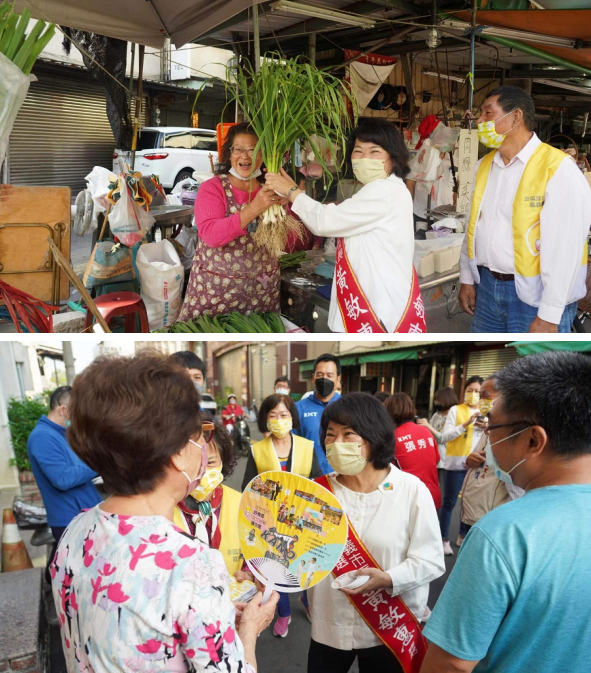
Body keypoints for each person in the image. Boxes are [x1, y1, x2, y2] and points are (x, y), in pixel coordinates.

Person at [51, 353, 278, 673]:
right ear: (175, 455)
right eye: (200, 435)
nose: (204, 446)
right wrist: (249, 631)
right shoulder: (192, 563)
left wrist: (216, 615)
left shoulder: (76, 530)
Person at [420, 351, 591, 673]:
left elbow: (452, 664)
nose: (489, 439)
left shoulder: (502, 533)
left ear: (532, 440)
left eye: (495, 427)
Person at [308, 393, 445, 673]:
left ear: (373, 438)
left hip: (389, 628)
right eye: (330, 435)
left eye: (348, 435)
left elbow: (430, 560)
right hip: (329, 625)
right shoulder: (315, 492)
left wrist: (389, 578)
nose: (336, 444)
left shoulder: (411, 489)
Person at [265, 118, 426, 333]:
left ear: (393, 157)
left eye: (375, 151)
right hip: (377, 294)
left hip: (377, 306)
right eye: (358, 151)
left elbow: (325, 221)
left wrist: (292, 191)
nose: (364, 158)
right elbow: (347, 213)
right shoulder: (389, 188)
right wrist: (297, 197)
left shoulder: (383, 191)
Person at [458, 85, 591, 333]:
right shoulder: (484, 165)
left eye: (488, 113)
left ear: (515, 117)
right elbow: (472, 225)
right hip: (487, 288)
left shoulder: (558, 168)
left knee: (535, 371)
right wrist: (467, 277)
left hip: (536, 299)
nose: (480, 120)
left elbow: (566, 247)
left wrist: (550, 314)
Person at [179, 122, 288, 321]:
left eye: (252, 150)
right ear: (229, 154)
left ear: (263, 155)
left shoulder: (271, 189)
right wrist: (255, 207)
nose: (245, 156)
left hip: (261, 293)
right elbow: (211, 236)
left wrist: (290, 199)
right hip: (215, 294)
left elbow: (286, 240)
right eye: (238, 149)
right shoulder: (212, 188)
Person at [242, 393, 321, 638]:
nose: (278, 419)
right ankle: (284, 612)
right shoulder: (258, 450)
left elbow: (318, 483)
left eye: (284, 414)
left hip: (303, 522)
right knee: (278, 570)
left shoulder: (307, 446)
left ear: (292, 417)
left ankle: (306, 601)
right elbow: (248, 487)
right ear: (265, 419)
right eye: (273, 415)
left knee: (306, 566)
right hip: (271, 525)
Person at [27, 386, 102, 583]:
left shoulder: (63, 433)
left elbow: (79, 468)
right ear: (63, 410)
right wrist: (101, 463)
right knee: (77, 580)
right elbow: (62, 478)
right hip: (70, 519)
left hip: (82, 513)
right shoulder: (42, 437)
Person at [173, 415, 248, 580]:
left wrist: (249, 572)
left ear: (223, 461)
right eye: (195, 463)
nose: (202, 471)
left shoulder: (241, 503)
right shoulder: (165, 506)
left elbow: (255, 550)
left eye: (211, 463)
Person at [459, 374, 524, 532]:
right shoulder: (491, 427)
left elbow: (517, 491)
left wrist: (502, 525)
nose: (481, 401)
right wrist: (468, 461)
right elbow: (473, 459)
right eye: (480, 396)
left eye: (485, 396)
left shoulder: (510, 435)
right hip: (474, 516)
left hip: (490, 523)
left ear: (505, 397)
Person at [437, 376, 483, 555]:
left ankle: (463, 535)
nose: (474, 395)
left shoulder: (486, 412)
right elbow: (445, 436)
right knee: (449, 502)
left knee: (470, 502)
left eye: (478, 392)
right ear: (464, 392)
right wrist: (466, 424)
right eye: (470, 391)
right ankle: (443, 539)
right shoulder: (456, 410)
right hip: (455, 464)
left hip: (477, 466)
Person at [384, 393, 441, 508]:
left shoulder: (393, 437)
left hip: (409, 501)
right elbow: (437, 460)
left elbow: (384, 475)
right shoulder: (425, 432)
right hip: (432, 497)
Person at [406, 115, 456, 230]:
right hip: (421, 213)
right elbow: (410, 181)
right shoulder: (421, 156)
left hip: (447, 214)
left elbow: (458, 185)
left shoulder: (455, 159)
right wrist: (407, 208)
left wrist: (456, 208)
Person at [294, 354, 342, 475]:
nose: (324, 379)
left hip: (341, 475)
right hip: (308, 476)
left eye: (329, 375)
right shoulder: (298, 408)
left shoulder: (348, 406)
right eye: (320, 375)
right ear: (313, 378)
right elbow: (292, 445)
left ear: (338, 380)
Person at [417, 386, 460, 491]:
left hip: (446, 457)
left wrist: (427, 426)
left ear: (446, 399)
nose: (436, 402)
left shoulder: (454, 414)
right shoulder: (437, 415)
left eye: (438, 400)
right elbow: (429, 433)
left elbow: (443, 438)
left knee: (443, 489)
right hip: (434, 456)